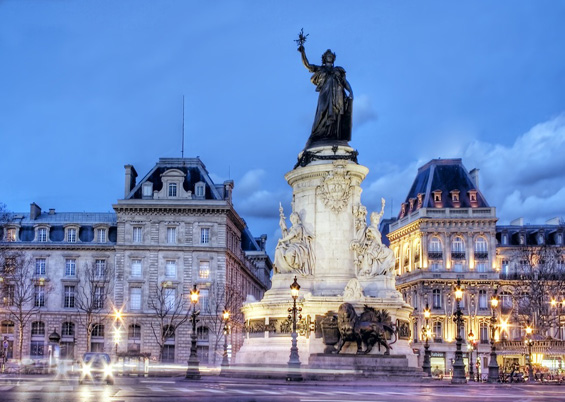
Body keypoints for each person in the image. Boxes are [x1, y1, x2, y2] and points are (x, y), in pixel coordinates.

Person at [298, 45, 354, 149]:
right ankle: (318, 135)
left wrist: (351, 92)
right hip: (325, 94)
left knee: (337, 116)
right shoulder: (321, 69)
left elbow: (344, 82)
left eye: (331, 55)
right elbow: (308, 65)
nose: (330, 56)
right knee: (322, 112)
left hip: (338, 96)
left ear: (333, 58)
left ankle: (334, 136)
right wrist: (302, 52)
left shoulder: (339, 70)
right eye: (328, 55)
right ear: (324, 58)